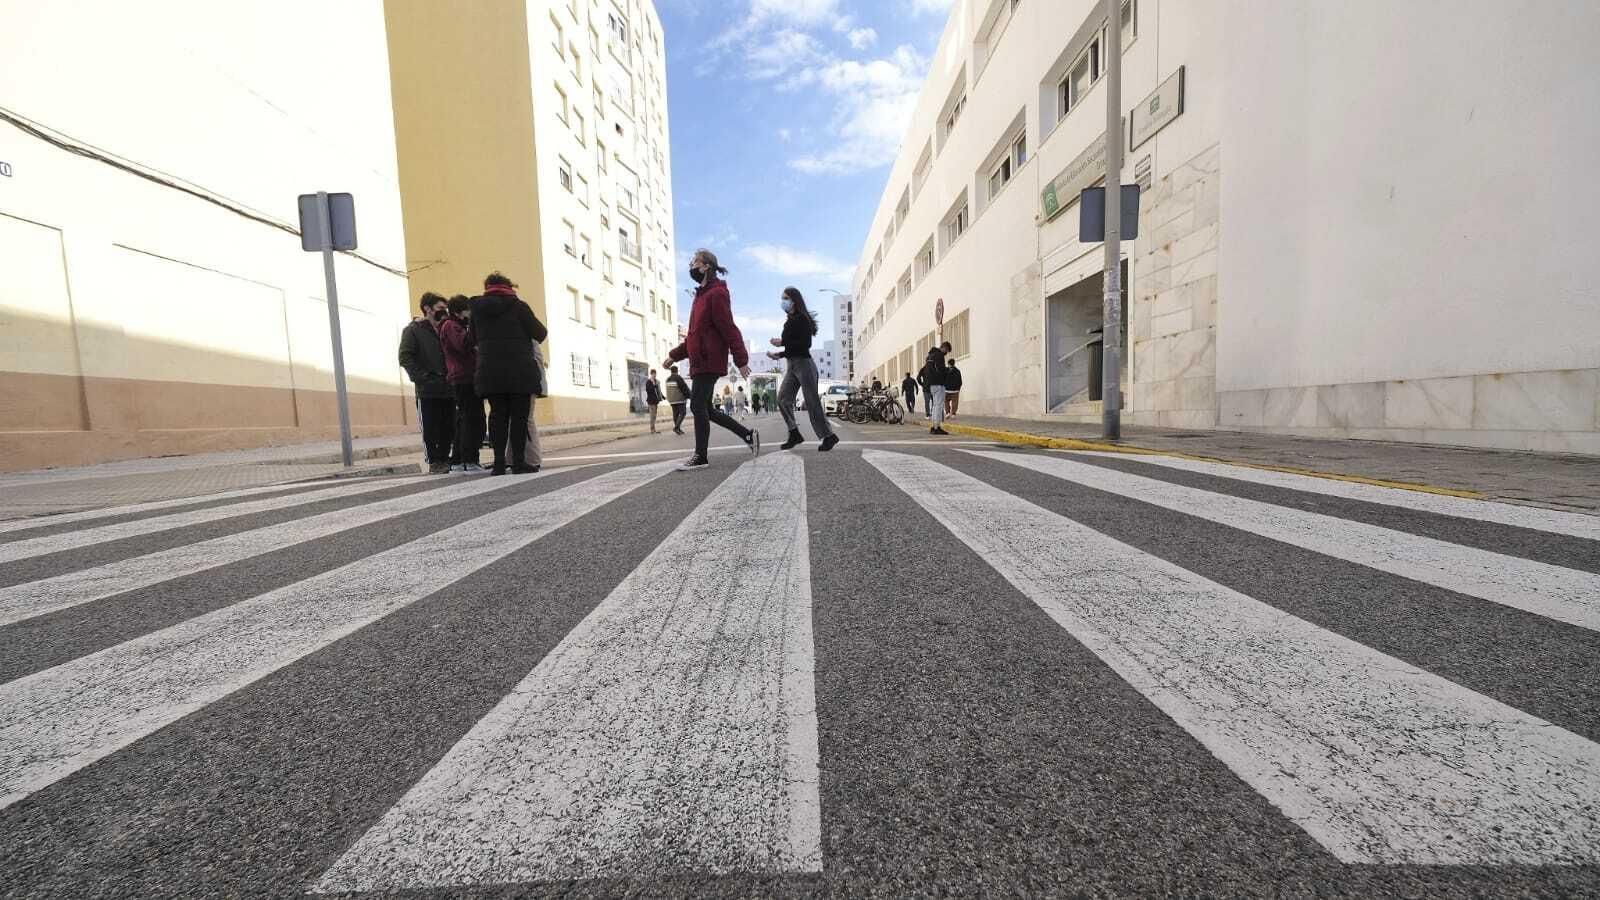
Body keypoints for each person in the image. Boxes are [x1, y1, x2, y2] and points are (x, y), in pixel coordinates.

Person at [664, 248, 759, 471]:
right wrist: (673, 356)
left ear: (706, 265)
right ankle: (747, 435)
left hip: (709, 359)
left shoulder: (716, 294)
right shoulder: (700, 297)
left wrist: (741, 358)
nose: (691, 266)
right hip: (700, 360)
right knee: (707, 409)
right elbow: (694, 337)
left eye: (694, 262)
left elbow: (728, 327)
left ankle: (701, 456)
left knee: (697, 405)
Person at [470, 272, 547, 475]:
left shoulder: (477, 310)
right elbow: (540, 333)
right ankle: (519, 462)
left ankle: (498, 463)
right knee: (519, 417)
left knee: (497, 416)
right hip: (519, 371)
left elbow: (472, 339)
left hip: (490, 371)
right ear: (509, 287)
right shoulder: (519, 307)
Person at [768, 287, 840, 452]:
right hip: (792, 365)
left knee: (812, 402)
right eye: (782, 298)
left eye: (785, 298)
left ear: (794, 300)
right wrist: (779, 351)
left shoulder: (802, 319)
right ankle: (794, 433)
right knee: (782, 399)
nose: (783, 301)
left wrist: (781, 346)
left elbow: (804, 345)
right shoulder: (789, 320)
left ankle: (829, 436)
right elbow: (793, 345)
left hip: (804, 365)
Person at [398, 292, 456, 474]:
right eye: (439, 309)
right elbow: (405, 356)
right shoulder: (413, 330)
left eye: (445, 309)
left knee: (449, 425)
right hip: (428, 388)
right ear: (427, 309)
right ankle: (434, 460)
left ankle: (445, 458)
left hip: (448, 386)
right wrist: (421, 377)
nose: (443, 312)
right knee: (431, 426)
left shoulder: (446, 328)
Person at [439, 295, 485, 473]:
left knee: (465, 419)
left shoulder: (457, 326)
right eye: (468, 310)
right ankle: (469, 459)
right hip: (463, 377)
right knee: (472, 419)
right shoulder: (451, 326)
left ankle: (459, 460)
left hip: (466, 376)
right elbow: (463, 345)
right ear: (459, 311)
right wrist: (473, 327)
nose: (471, 314)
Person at [920, 340, 950, 435]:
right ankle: (937, 427)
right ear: (944, 347)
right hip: (939, 384)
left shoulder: (929, 356)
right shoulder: (939, 355)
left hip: (931, 385)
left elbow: (927, 371)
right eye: (947, 351)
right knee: (938, 406)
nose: (946, 353)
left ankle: (933, 427)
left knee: (934, 406)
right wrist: (946, 371)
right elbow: (940, 369)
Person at [666, 365, 689, 435]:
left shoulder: (668, 379)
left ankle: (678, 429)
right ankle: (676, 427)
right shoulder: (678, 378)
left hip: (671, 400)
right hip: (679, 399)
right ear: (677, 371)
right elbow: (684, 388)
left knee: (675, 414)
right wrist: (689, 396)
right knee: (683, 413)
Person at [645, 369, 663, 433]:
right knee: (652, 415)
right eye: (653, 374)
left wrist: (662, 396)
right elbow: (648, 390)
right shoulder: (648, 382)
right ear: (651, 374)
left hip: (655, 401)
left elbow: (658, 390)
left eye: (655, 374)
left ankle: (653, 428)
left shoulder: (656, 381)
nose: (655, 375)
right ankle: (652, 429)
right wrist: (653, 384)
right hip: (650, 401)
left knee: (654, 415)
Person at [945, 353, 963, 419]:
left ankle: (947, 413)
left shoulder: (945, 370)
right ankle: (953, 414)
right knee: (955, 402)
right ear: (954, 363)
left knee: (946, 401)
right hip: (955, 390)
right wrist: (958, 388)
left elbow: (943, 378)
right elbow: (960, 381)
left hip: (947, 390)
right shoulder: (958, 371)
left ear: (948, 364)